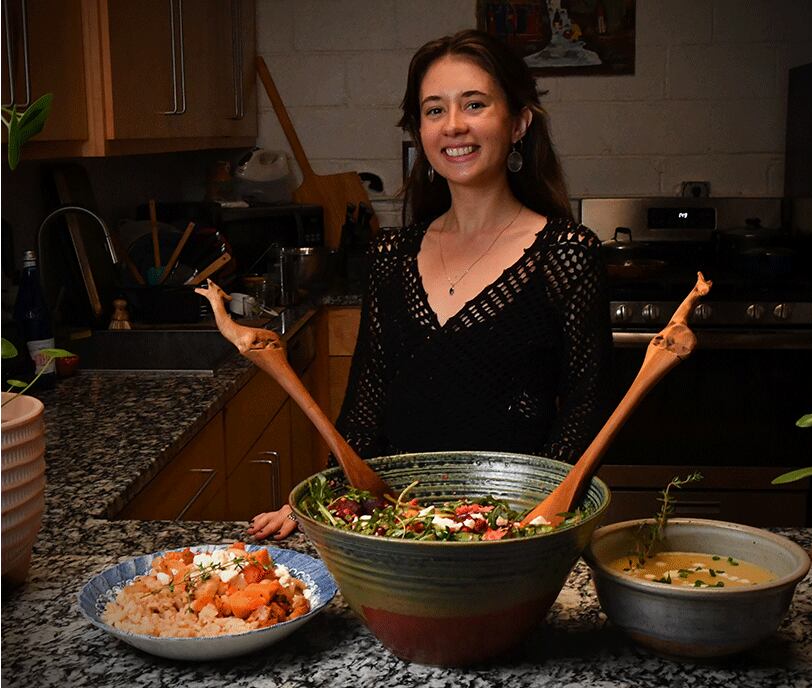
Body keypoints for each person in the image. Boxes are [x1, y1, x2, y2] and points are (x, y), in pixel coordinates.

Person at [242, 28, 612, 540]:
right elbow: (366, 401)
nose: (454, 126)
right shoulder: (391, 254)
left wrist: (536, 516)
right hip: (395, 526)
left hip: (508, 527)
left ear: (519, 122)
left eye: (475, 105)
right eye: (434, 110)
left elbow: (585, 406)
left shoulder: (567, 253)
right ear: (419, 131)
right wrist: (331, 494)